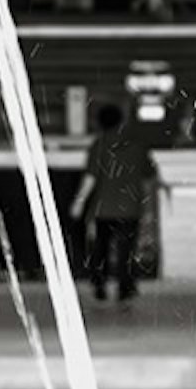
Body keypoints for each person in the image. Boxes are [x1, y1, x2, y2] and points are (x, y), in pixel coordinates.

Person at [71, 100, 158, 306]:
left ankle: (99, 285)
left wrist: (79, 202)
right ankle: (124, 288)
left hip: (103, 208)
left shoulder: (99, 145)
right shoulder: (137, 144)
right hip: (130, 207)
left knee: (100, 247)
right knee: (126, 249)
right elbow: (150, 176)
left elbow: (90, 178)